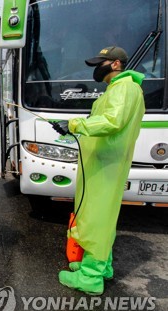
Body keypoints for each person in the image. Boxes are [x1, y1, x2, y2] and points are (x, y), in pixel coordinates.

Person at [52, 46, 145, 295]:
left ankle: (91, 276)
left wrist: (73, 123)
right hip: (102, 162)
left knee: (97, 216)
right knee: (99, 215)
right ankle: (101, 265)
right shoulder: (118, 89)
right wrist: (74, 128)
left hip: (106, 164)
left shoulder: (124, 87)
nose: (96, 69)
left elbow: (112, 121)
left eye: (100, 63)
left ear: (115, 64)